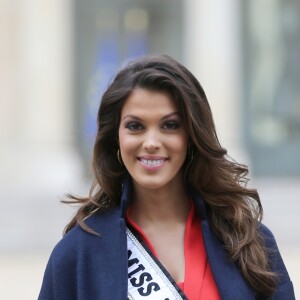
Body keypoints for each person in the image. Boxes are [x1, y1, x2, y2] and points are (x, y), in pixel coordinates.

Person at [38, 55, 295, 300]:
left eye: (170, 125)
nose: (151, 142)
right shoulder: (78, 255)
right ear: (115, 137)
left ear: (192, 136)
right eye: (135, 126)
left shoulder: (248, 242)